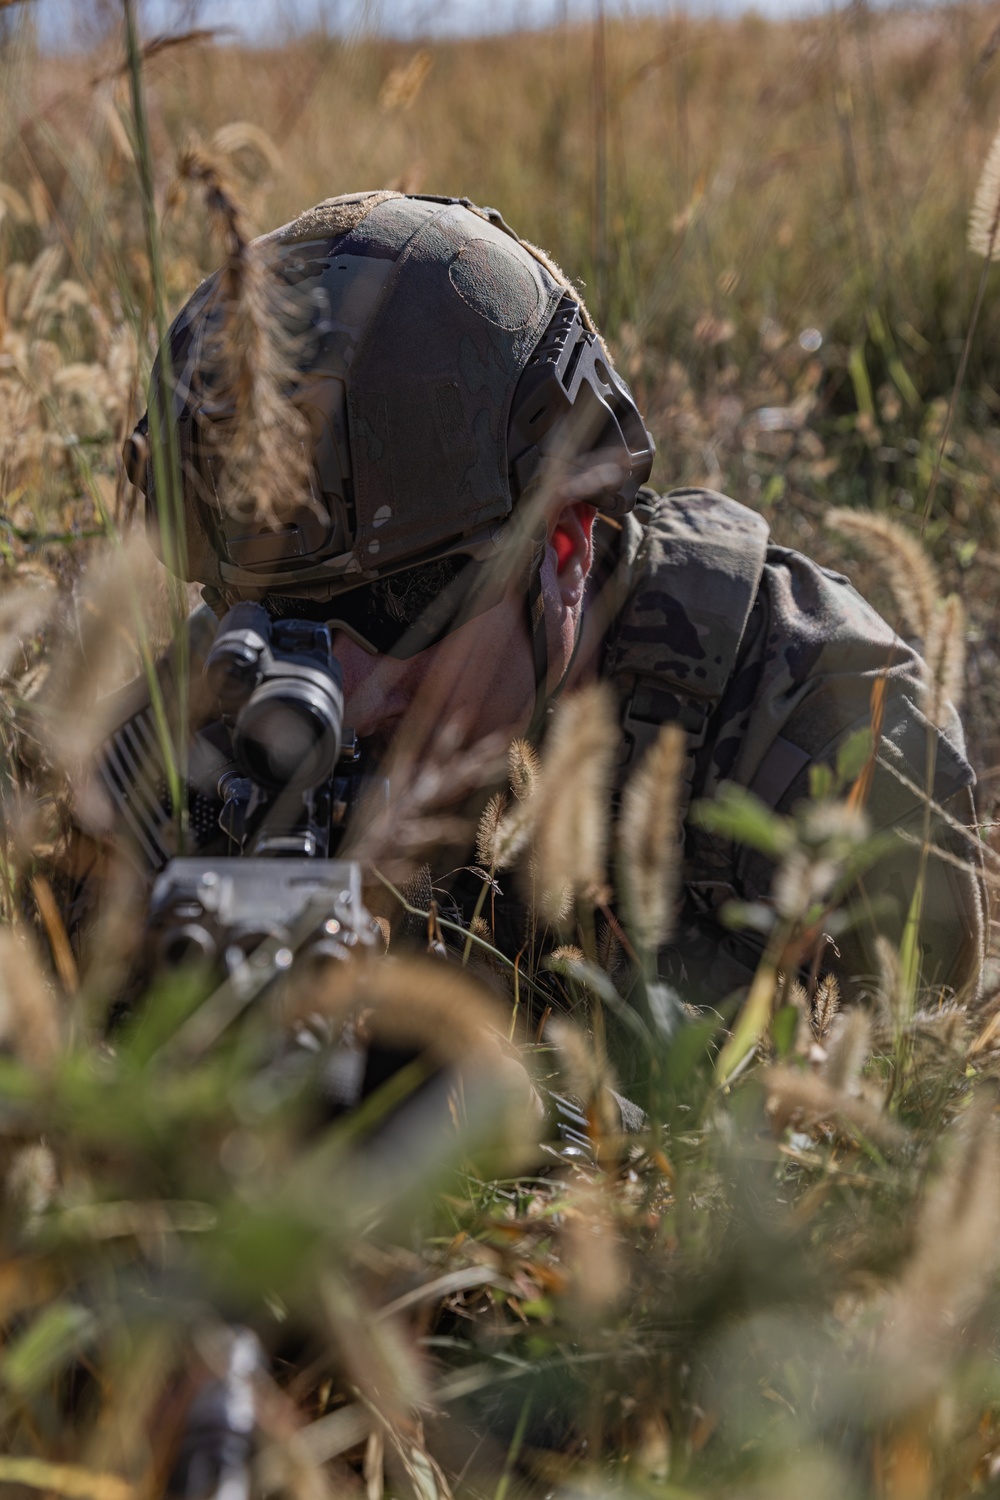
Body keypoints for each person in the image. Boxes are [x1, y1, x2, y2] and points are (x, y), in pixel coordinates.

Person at [113, 189, 984, 1006]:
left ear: (563, 546)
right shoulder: (212, 708)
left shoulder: (840, 742)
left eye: (399, 603)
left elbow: (881, 1128)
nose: (349, 689)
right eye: (267, 612)